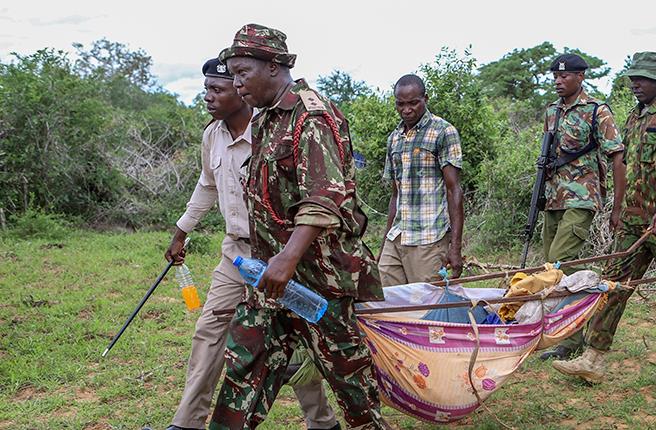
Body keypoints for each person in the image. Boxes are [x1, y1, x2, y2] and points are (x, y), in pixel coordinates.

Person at [209, 24, 387, 429]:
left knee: (352, 387)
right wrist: (274, 264)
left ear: (273, 66)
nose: (236, 84)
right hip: (273, 281)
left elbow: (324, 197)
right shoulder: (267, 119)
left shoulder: (311, 116)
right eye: (232, 74)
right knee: (244, 368)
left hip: (321, 283)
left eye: (241, 72)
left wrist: (288, 258)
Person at [163, 58, 339, 430]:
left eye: (218, 89)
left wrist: (292, 255)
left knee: (292, 338)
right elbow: (207, 184)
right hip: (235, 254)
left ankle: (323, 423)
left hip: (281, 254)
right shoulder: (213, 135)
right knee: (210, 330)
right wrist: (182, 230)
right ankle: (187, 422)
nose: (208, 97)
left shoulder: (272, 131)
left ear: (241, 92)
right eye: (206, 88)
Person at [550, 52, 656, 383]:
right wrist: (618, 209)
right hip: (634, 219)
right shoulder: (633, 117)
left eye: (643, 78)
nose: (636, 84)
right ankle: (593, 358)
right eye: (633, 78)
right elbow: (626, 166)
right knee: (613, 286)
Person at [535, 53, 626, 361]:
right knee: (554, 266)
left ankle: (575, 330)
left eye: (565, 76)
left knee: (559, 262)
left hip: (582, 197)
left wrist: (617, 206)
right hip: (553, 198)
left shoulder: (596, 110)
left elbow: (617, 156)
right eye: (555, 77)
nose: (559, 81)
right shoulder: (552, 111)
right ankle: (569, 336)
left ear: (580, 77)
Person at [378, 74, 464, 286]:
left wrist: (455, 248)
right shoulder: (394, 138)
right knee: (388, 301)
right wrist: (384, 241)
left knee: (426, 306)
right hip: (397, 236)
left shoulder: (443, 131)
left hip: (429, 237)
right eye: (400, 104)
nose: (406, 109)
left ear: (425, 99)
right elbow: (395, 194)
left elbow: (454, 191)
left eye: (413, 103)